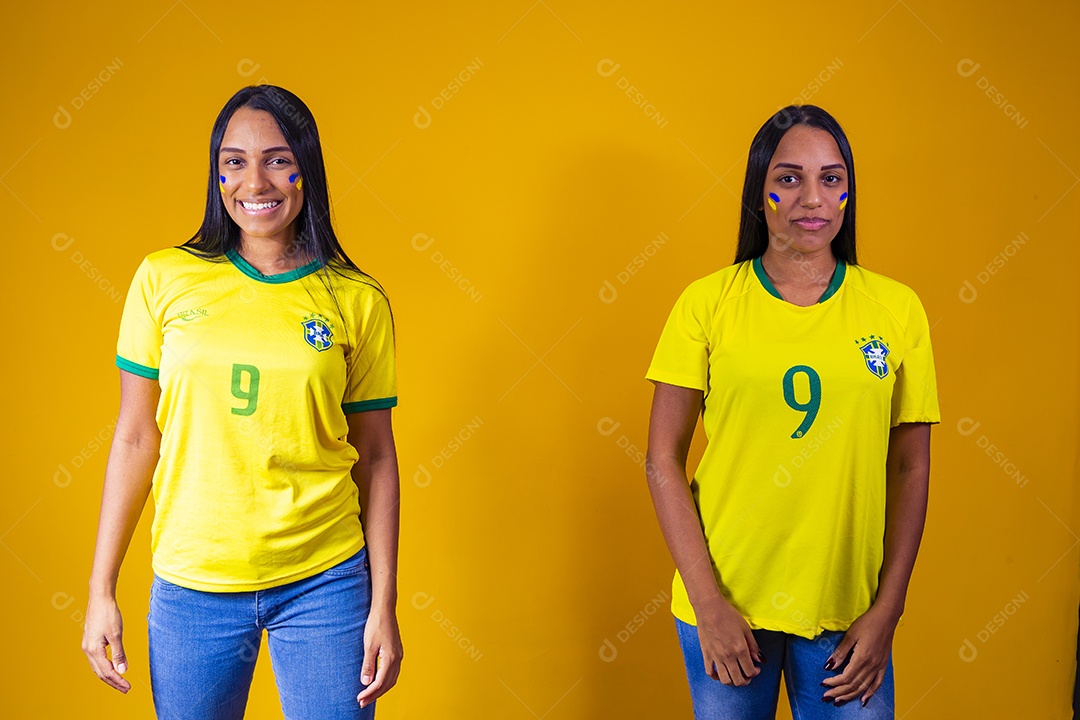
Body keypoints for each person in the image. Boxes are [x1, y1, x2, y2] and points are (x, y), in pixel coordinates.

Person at [81, 85, 403, 720]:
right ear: (216, 173)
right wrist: (100, 589)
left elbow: (376, 456)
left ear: (307, 168)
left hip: (326, 579)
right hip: (193, 580)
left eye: (278, 159)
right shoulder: (164, 278)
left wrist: (384, 605)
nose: (255, 180)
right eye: (234, 161)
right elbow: (135, 437)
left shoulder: (356, 299)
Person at [645, 104, 939, 719]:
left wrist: (888, 610)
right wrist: (709, 606)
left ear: (848, 193)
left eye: (831, 178)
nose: (812, 197)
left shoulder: (896, 309)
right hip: (727, 608)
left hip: (847, 613)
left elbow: (910, 467)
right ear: (760, 193)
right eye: (789, 178)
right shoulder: (706, 304)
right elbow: (661, 461)